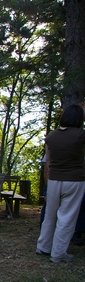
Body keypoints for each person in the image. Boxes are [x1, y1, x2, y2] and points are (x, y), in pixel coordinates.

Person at [36, 104, 85, 263]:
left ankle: (43, 247)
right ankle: (57, 254)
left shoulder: (51, 136)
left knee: (50, 215)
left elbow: (48, 162)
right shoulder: (80, 135)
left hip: (54, 180)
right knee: (67, 217)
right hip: (74, 180)